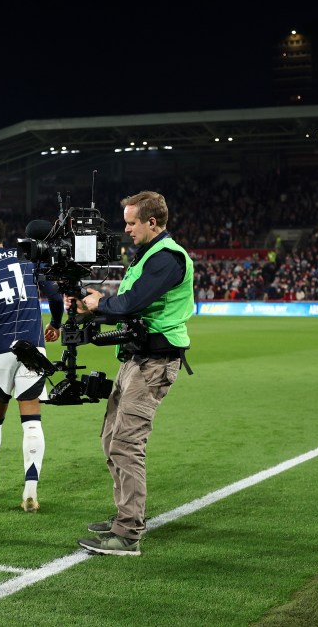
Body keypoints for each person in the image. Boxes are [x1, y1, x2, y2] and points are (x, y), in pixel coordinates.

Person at [68, 190, 193, 556]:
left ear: (152, 222)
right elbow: (126, 306)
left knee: (127, 443)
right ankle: (125, 515)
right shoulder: (147, 257)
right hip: (134, 360)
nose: (126, 229)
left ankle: (127, 534)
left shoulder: (167, 258)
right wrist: (93, 305)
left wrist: (100, 302)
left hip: (154, 362)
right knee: (111, 438)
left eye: (131, 222)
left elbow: (132, 303)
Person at [0, 216, 63, 511]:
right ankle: (30, 490)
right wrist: (57, 323)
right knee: (32, 421)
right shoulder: (28, 260)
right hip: (31, 348)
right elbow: (56, 296)